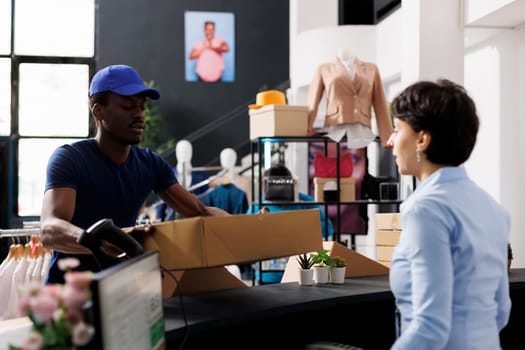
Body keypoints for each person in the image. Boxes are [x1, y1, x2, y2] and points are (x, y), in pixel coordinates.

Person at [40, 64, 229, 283]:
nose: (139, 115)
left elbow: (200, 211)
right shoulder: (69, 158)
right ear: (98, 110)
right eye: (128, 107)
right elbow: (49, 230)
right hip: (69, 294)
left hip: (123, 290)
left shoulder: (150, 163)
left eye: (142, 107)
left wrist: (248, 226)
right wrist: (96, 242)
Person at [386, 79, 511, 349]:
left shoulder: (426, 210)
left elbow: (430, 328)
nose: (390, 142)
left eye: (397, 130)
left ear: (422, 139)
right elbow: (500, 311)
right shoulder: (493, 209)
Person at [307, 48, 393, 148]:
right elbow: (313, 101)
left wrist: (387, 136)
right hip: (335, 127)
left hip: (362, 129)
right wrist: (307, 128)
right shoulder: (324, 68)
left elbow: (380, 104)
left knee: (360, 161)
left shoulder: (371, 68)